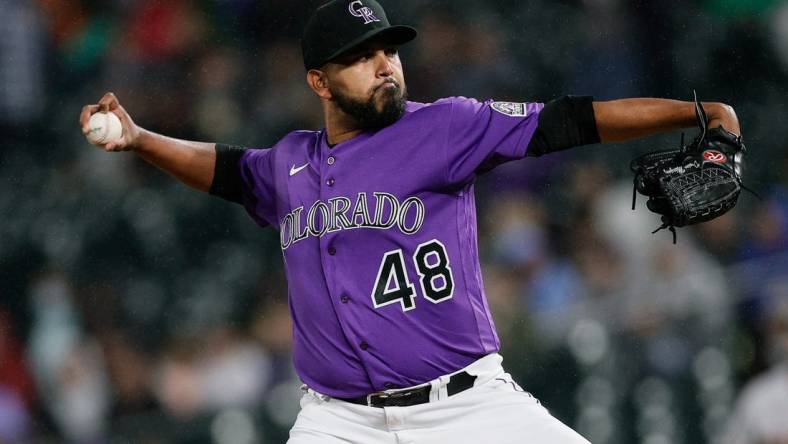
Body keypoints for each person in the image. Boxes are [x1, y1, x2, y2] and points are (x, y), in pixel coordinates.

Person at [79, 1, 741, 442]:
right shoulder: (288, 164)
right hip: (338, 424)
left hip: (469, 408)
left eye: (389, 50)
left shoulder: (446, 125)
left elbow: (568, 120)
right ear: (319, 81)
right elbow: (225, 168)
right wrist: (141, 139)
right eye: (363, 57)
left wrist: (696, 112)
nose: (385, 64)